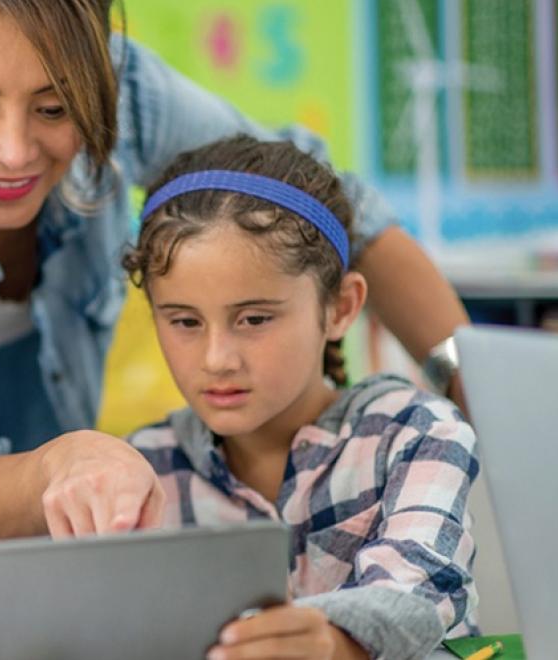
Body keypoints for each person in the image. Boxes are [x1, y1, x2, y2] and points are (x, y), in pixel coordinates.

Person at [0, 0, 472, 557]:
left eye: (56, 109)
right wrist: (63, 466)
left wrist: (476, 394)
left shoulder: (112, 82)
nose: (14, 150)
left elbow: (326, 205)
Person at [122, 135, 478, 660]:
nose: (217, 359)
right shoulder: (142, 469)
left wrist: (335, 641)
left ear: (340, 307)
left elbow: (421, 593)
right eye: (185, 322)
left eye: (254, 319)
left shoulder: (418, 433)